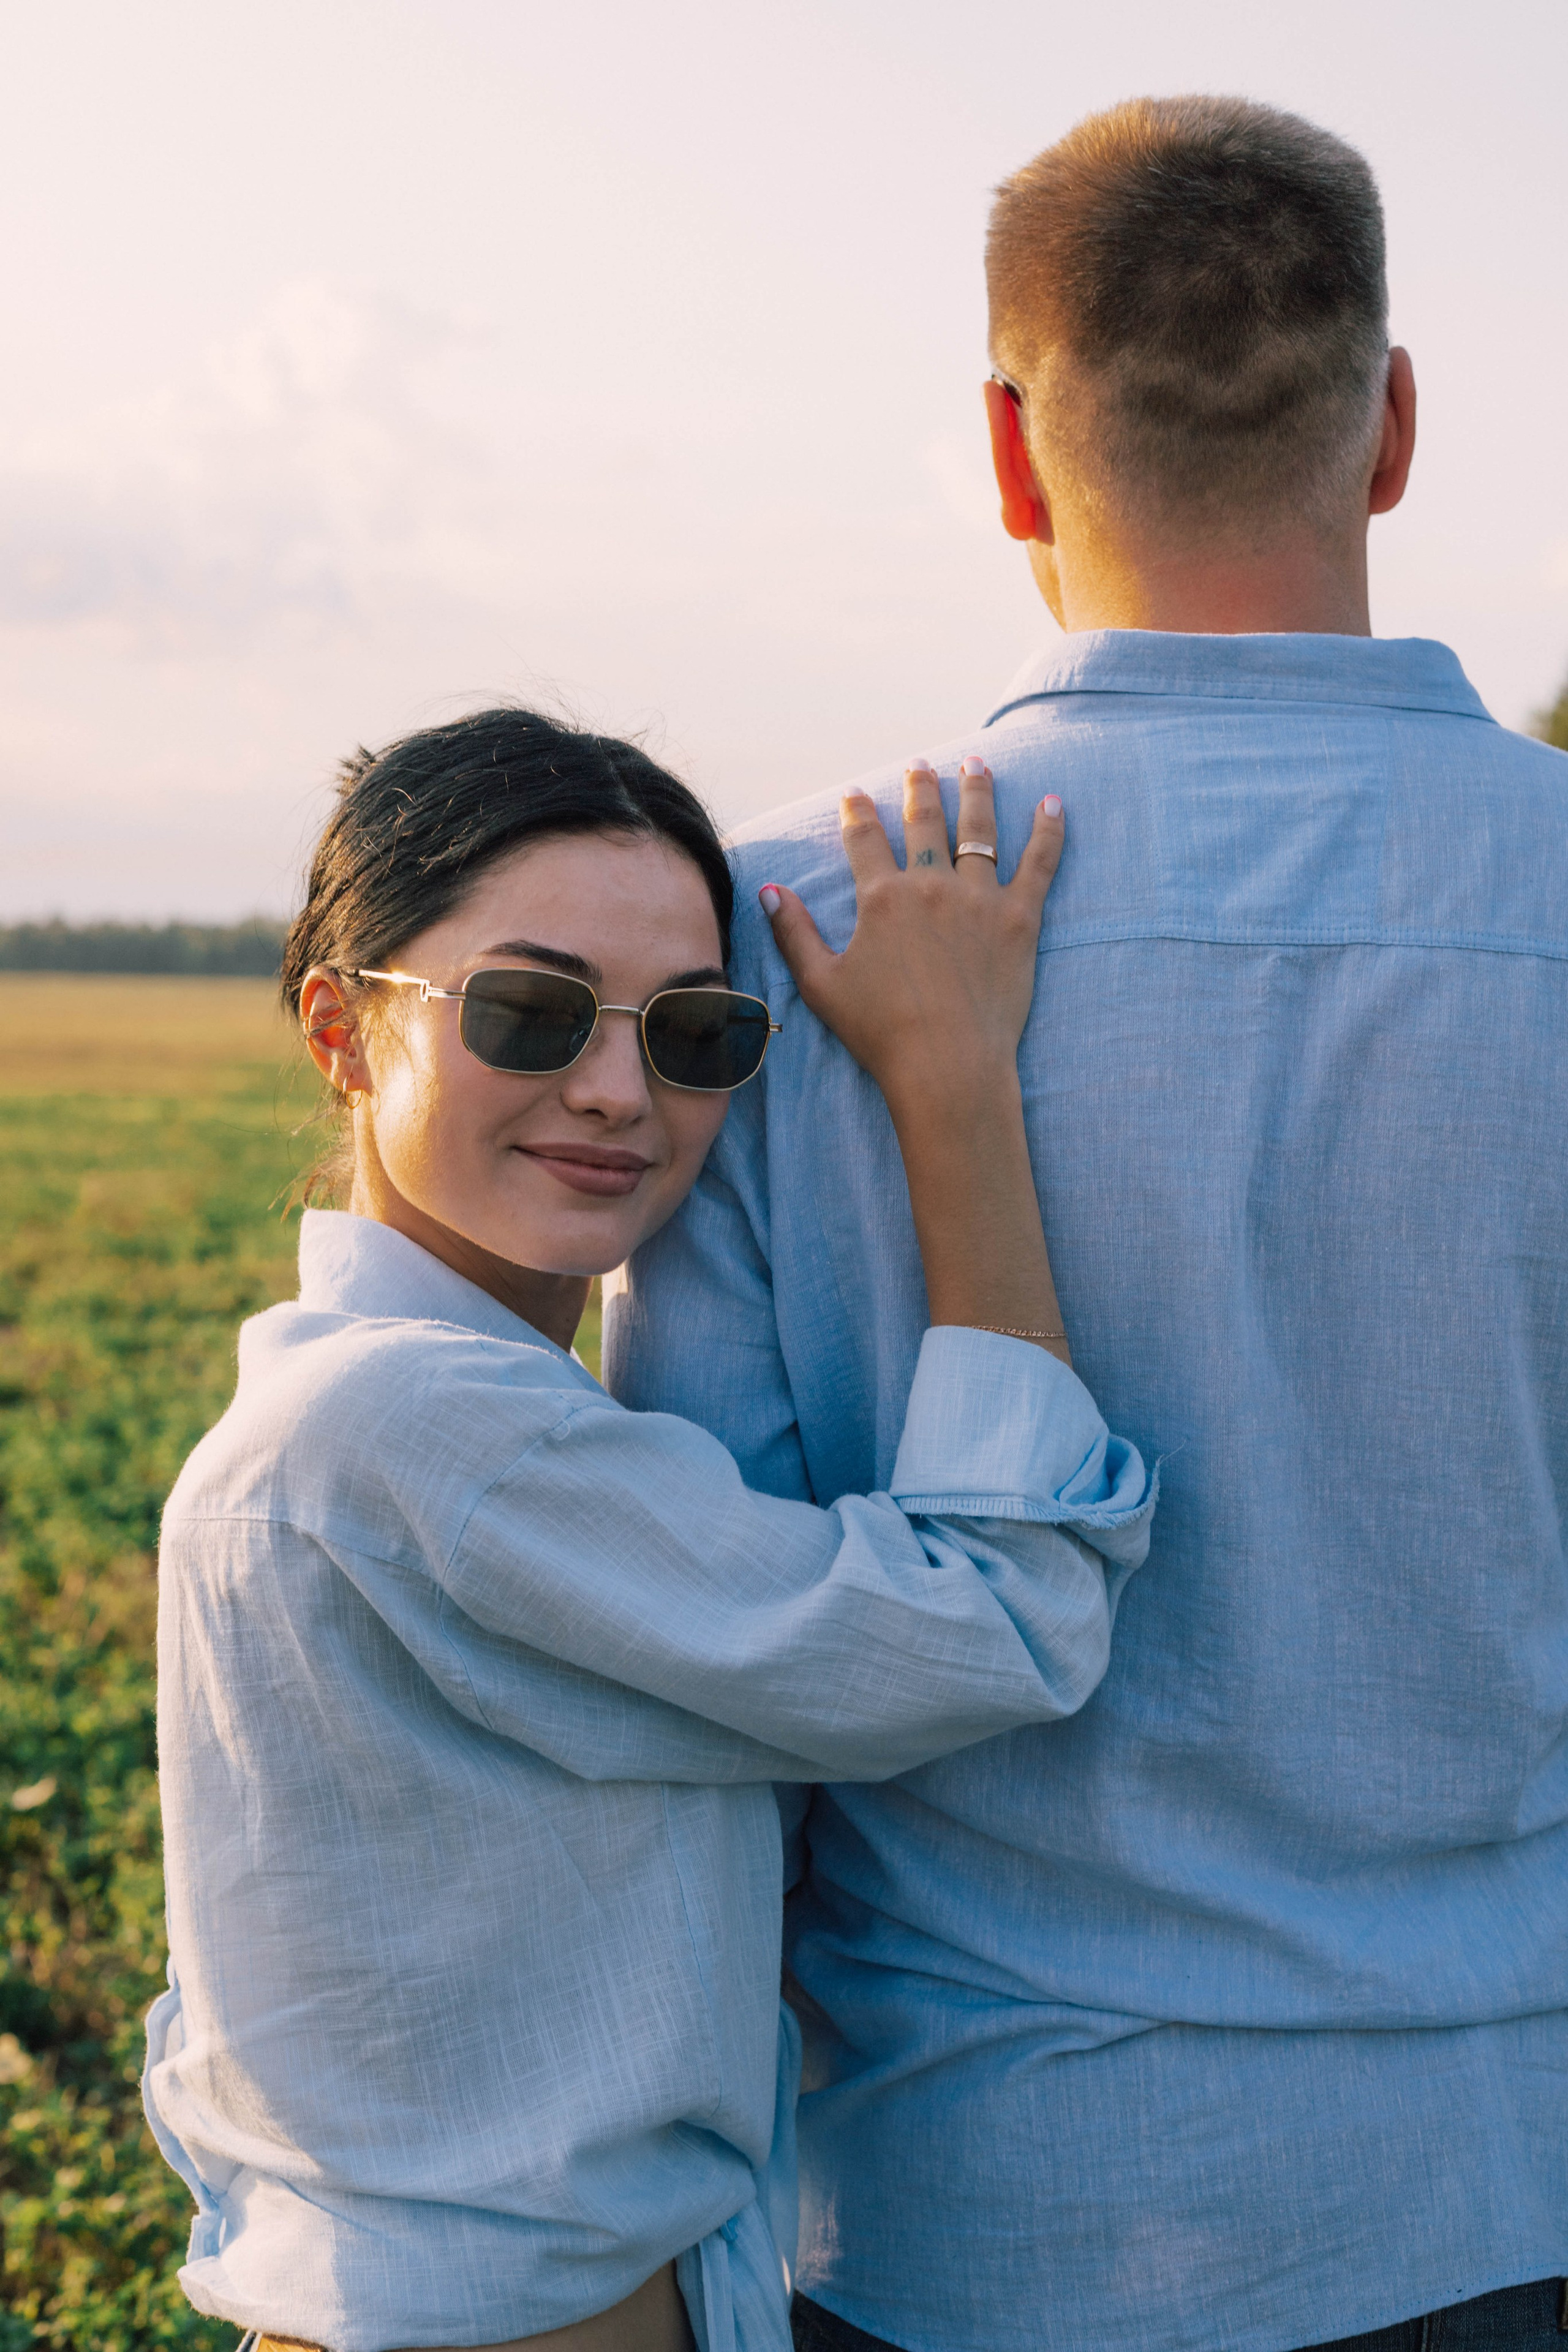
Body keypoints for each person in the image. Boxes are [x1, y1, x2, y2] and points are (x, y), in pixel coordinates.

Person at [606, 95, 1568, 2352]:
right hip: (1509, 2178)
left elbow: (714, 1648)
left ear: (1013, 462)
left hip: (968, 2200)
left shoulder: (767, 941)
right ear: (1400, 425)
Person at [143, 708, 1155, 2352]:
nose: (616, 1092)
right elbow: (1002, 1620)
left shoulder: (355, 1415)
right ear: (343, 1032)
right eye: (531, 1013)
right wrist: (954, 1081)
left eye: (696, 1035)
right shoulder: (422, 1434)